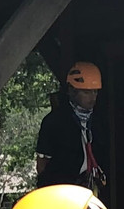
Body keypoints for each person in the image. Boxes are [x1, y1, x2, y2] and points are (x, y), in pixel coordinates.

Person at [36, 62, 106, 193]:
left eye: (95, 92)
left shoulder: (99, 121)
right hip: (62, 190)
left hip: (90, 187)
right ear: (72, 91)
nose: (92, 97)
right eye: (86, 92)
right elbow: (42, 163)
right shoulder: (54, 122)